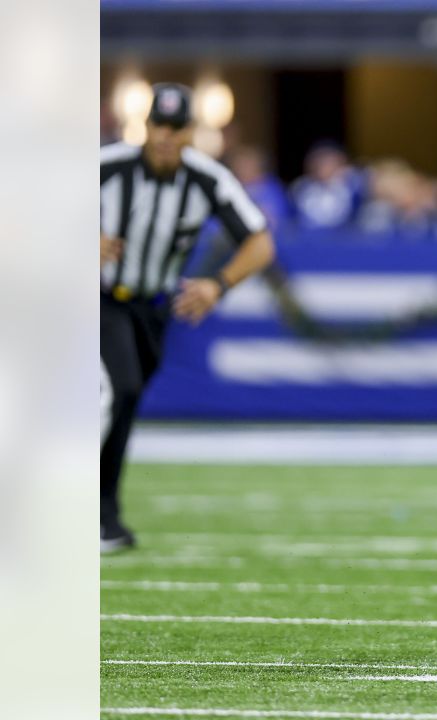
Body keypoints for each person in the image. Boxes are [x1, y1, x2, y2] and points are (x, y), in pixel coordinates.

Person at [100, 83, 275, 552]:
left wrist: (218, 284)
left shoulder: (206, 178)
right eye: (159, 125)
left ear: (190, 133)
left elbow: (260, 242)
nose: (166, 136)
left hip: (152, 308)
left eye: (177, 128)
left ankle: (104, 513)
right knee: (117, 390)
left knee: (124, 402)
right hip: (97, 299)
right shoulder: (107, 166)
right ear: (146, 126)